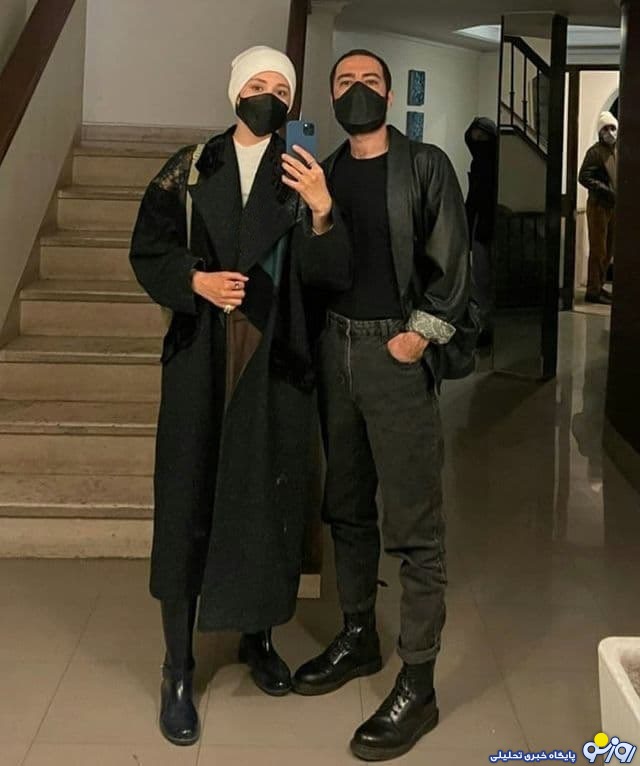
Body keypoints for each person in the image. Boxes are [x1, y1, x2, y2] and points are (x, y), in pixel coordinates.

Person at [129, 45, 348, 747]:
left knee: (265, 500)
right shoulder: (192, 166)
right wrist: (194, 281)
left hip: (275, 357)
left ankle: (258, 638)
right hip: (202, 355)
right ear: (234, 92)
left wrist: (322, 213)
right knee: (187, 499)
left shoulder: (303, 170)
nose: (269, 97)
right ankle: (178, 667)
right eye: (258, 84)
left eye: (282, 89)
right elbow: (148, 249)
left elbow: (327, 278)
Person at [285, 49, 477, 761]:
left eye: (370, 81)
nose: (357, 90)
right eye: (345, 82)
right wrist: (317, 212)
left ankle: (418, 684)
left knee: (414, 523)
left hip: (394, 356)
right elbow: (314, 270)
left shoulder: (425, 166)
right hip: (335, 351)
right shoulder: (324, 171)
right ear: (331, 97)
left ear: (390, 96)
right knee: (346, 506)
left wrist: (416, 337)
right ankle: (359, 635)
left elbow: (453, 264)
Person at [579, 110, 618, 305]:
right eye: (605, 129)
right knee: (598, 249)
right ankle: (593, 291)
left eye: (612, 128)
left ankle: (599, 286)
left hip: (612, 206)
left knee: (608, 249)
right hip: (599, 205)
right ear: (600, 132)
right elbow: (583, 176)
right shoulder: (595, 152)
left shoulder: (615, 151)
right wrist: (605, 190)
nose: (609, 132)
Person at [464, 117, 497, 345]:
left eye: (482, 138)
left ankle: (487, 325)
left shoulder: (493, 164)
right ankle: (483, 325)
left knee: (485, 278)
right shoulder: (478, 163)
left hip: (488, 223)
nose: (478, 143)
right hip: (479, 224)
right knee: (480, 277)